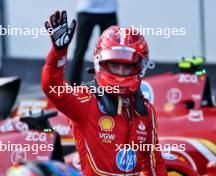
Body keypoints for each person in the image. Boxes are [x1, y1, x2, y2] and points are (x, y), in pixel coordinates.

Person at [42, 11, 167, 176]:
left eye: (128, 66)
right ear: (99, 62)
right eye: (115, 65)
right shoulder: (84, 100)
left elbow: (154, 165)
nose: (121, 72)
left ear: (141, 66)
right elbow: (52, 87)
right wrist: (58, 53)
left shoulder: (146, 111)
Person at [69, 0, 118, 85]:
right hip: (86, 10)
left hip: (109, 10)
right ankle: (73, 88)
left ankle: (112, 86)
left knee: (111, 51)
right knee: (80, 50)